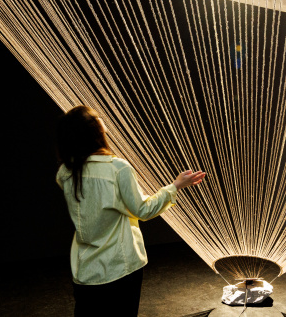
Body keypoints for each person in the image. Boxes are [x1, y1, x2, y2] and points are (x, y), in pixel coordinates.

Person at [56, 105, 206, 316]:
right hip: (119, 268)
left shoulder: (66, 172)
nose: (103, 121)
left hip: (84, 269)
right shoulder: (117, 168)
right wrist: (175, 186)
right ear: (95, 130)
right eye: (98, 118)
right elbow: (143, 210)